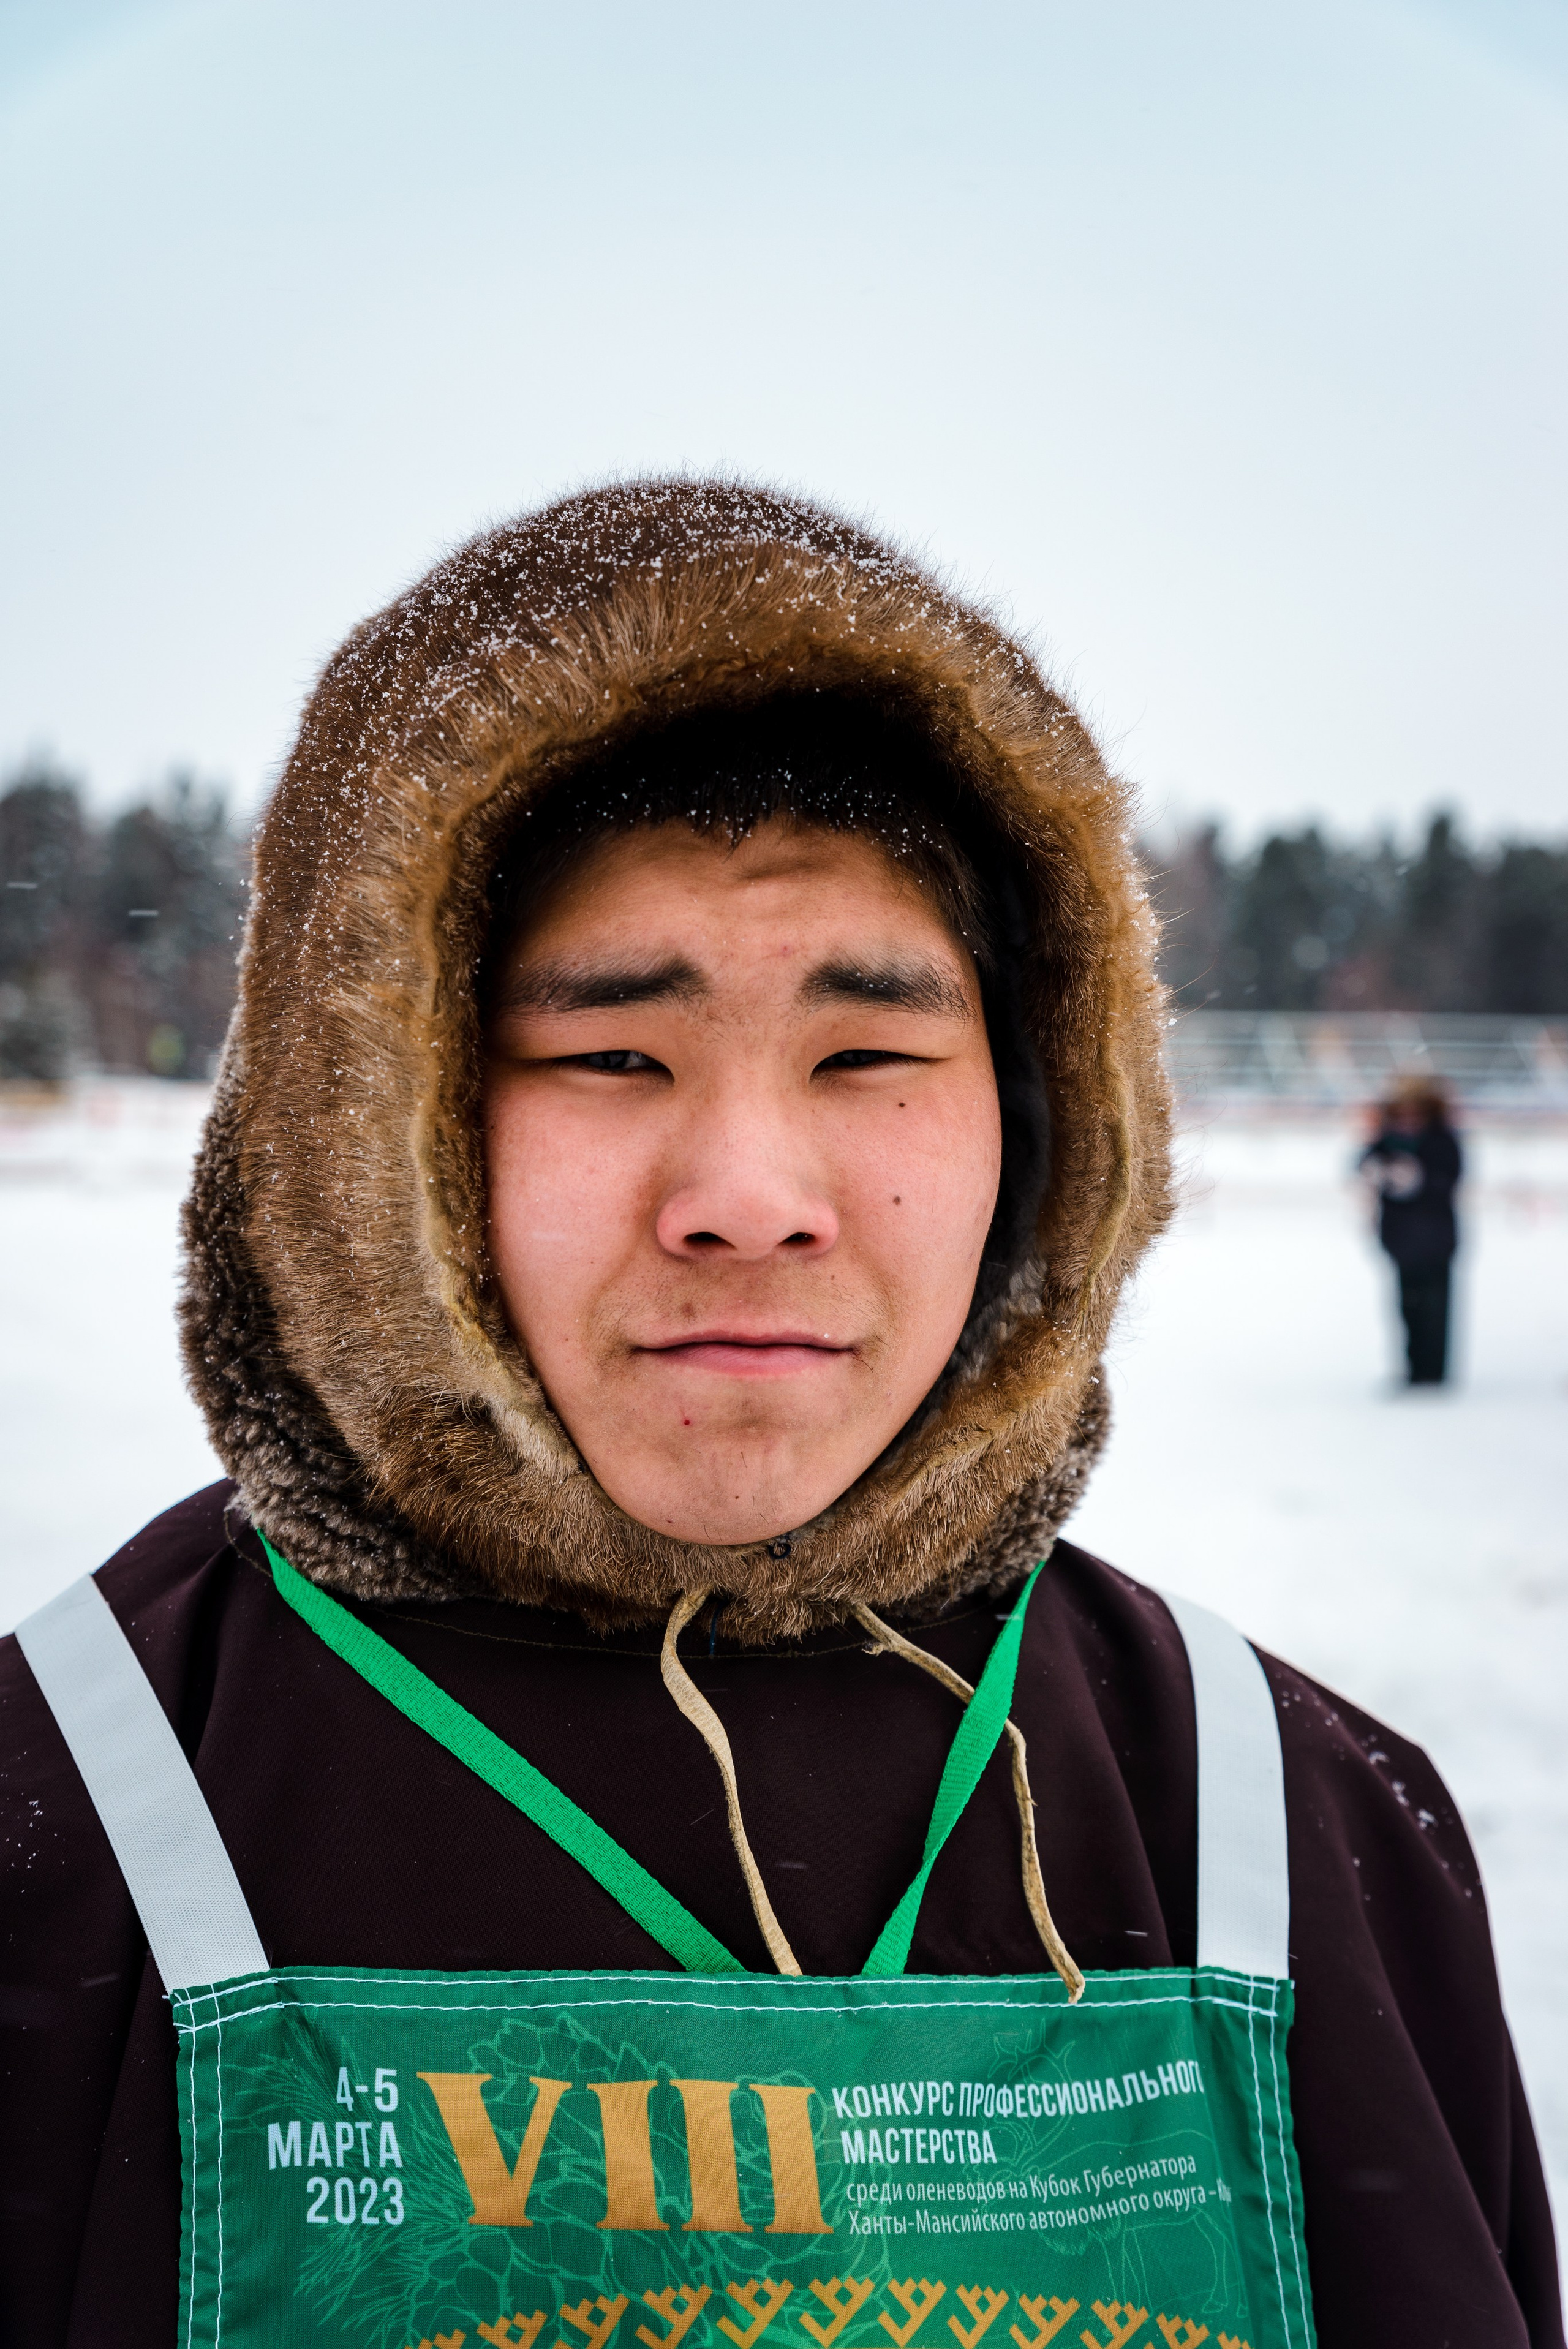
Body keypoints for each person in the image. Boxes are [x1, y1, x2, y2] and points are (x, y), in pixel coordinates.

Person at [1, 483, 1559, 2349]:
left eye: (868, 1054)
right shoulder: (65, 1819)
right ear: (372, 1119)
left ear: (1039, 1117)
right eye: (608, 1054)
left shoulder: (1285, 1826)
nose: (748, 1191)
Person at [1360, 1077, 1463, 1384]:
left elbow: (1446, 1181)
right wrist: (1378, 1171)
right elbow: (1364, 1166)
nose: (1408, 1119)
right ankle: (1413, 1368)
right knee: (1407, 1308)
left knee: (1434, 1311)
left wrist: (1416, 1179)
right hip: (1401, 1242)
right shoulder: (1387, 1141)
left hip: (1436, 1242)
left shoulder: (1442, 1140)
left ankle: (1433, 1373)